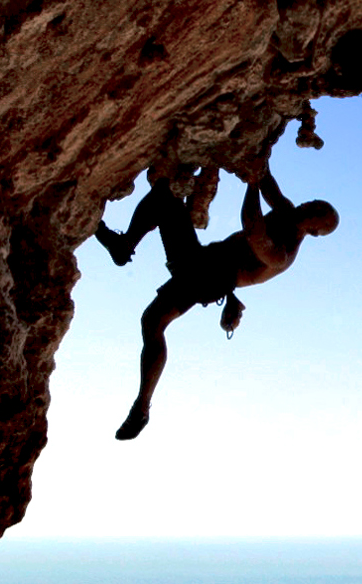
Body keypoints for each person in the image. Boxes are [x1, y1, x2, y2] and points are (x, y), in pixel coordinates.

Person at [94, 168, 338, 439]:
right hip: (202, 260)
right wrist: (258, 162)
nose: (308, 206)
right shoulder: (287, 213)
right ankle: (124, 245)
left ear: (314, 231)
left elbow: (253, 228)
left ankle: (141, 408)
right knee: (164, 197)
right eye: (314, 203)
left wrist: (252, 183)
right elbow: (270, 185)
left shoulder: (282, 254)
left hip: (207, 278)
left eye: (314, 211)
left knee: (152, 321)